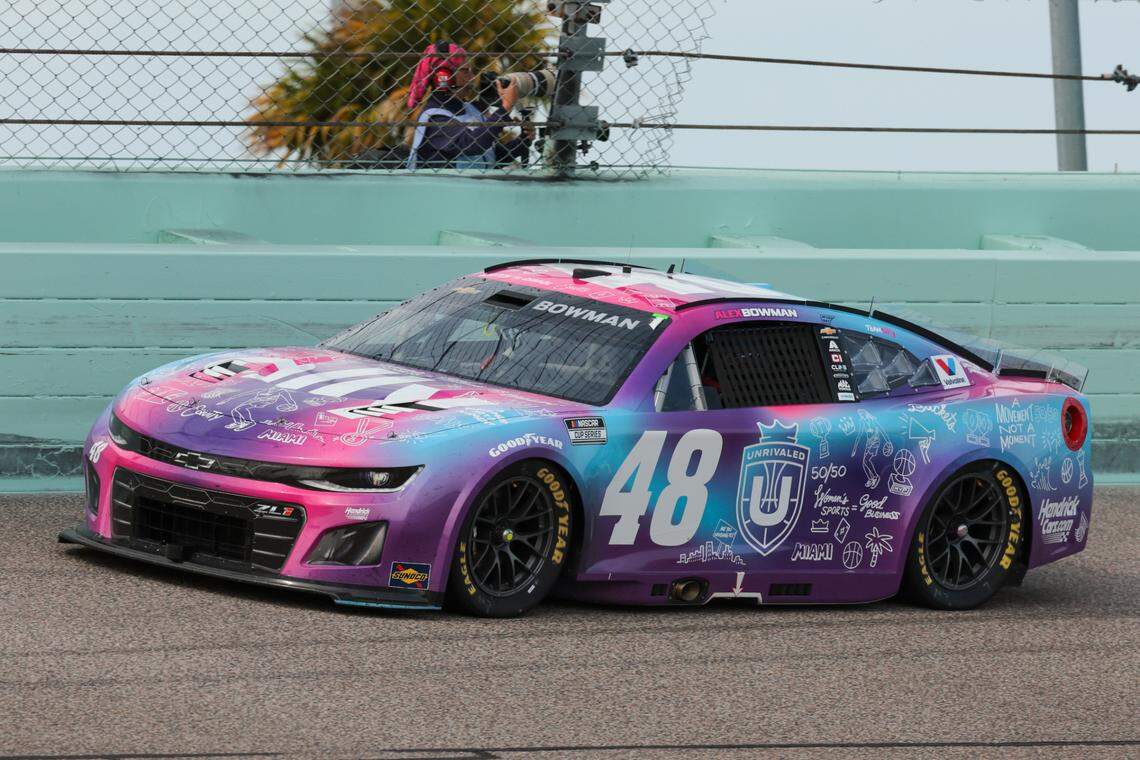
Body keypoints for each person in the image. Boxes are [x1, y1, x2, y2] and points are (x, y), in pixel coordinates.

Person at [405, 42, 531, 170]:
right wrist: (506, 107)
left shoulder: (470, 110)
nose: (472, 78)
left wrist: (522, 142)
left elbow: (488, 156)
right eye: (465, 71)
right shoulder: (434, 117)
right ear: (443, 77)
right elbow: (472, 145)